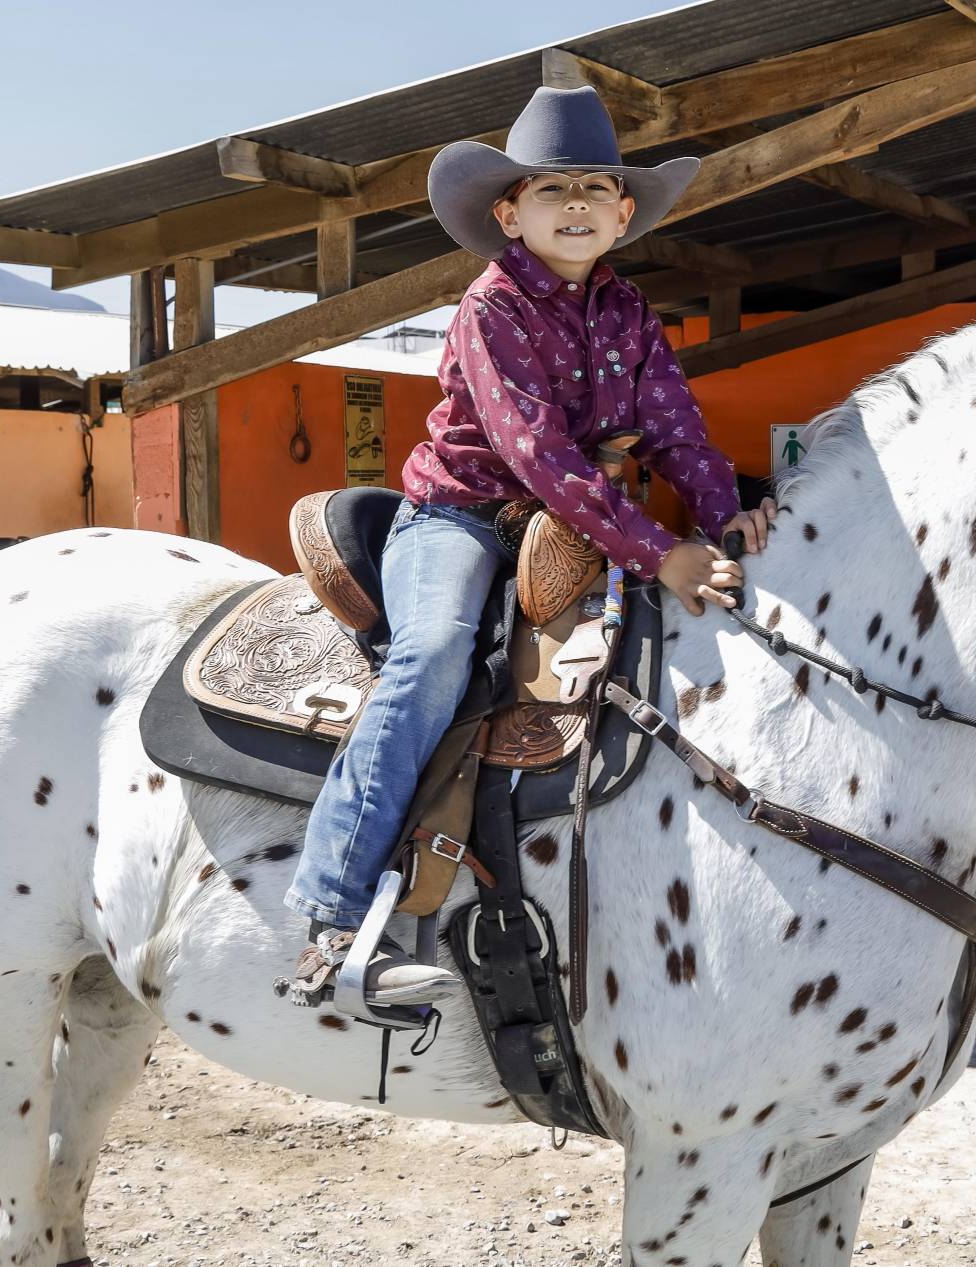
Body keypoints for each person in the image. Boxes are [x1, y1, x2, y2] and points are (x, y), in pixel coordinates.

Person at [283, 84, 777, 1012]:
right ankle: (334, 917)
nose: (578, 204)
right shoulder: (490, 306)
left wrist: (723, 516)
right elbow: (537, 454)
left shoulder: (629, 312)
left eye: (597, 186)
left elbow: (676, 427)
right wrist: (657, 550)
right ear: (510, 212)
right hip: (463, 519)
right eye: (553, 189)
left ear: (625, 213)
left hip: (575, 526)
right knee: (431, 658)